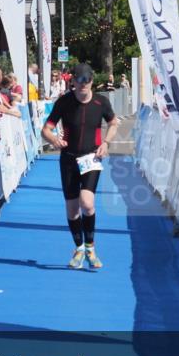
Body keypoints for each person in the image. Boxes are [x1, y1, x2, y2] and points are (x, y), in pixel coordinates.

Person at [41, 63, 119, 270]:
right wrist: (53, 140)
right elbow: (46, 129)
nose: (83, 85)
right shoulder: (64, 102)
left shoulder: (100, 102)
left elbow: (113, 123)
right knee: (73, 209)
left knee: (87, 202)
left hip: (91, 158)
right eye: (79, 81)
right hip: (68, 159)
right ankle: (79, 248)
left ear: (92, 81)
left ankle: (91, 247)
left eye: (87, 81)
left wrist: (106, 143)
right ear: (73, 82)